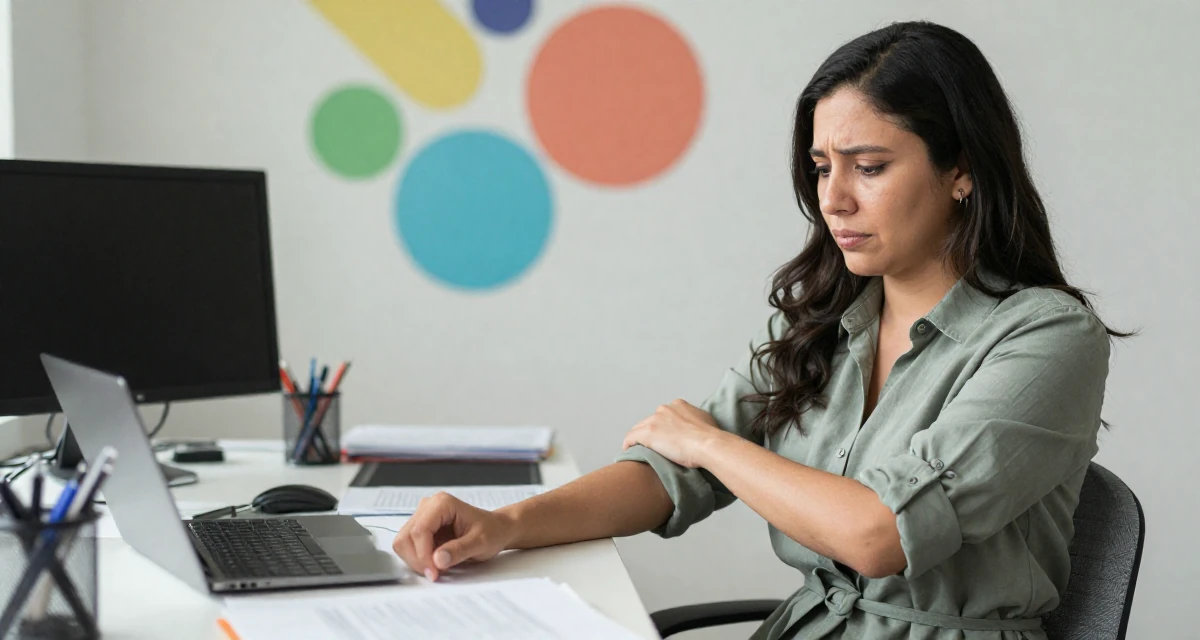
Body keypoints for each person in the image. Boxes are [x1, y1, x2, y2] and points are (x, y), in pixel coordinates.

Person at [392, 20, 1127, 639]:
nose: (832, 199)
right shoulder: (825, 322)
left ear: (960, 170)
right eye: (819, 167)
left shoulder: (1047, 339)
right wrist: (502, 524)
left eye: (868, 167)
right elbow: (671, 473)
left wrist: (711, 442)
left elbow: (879, 533)